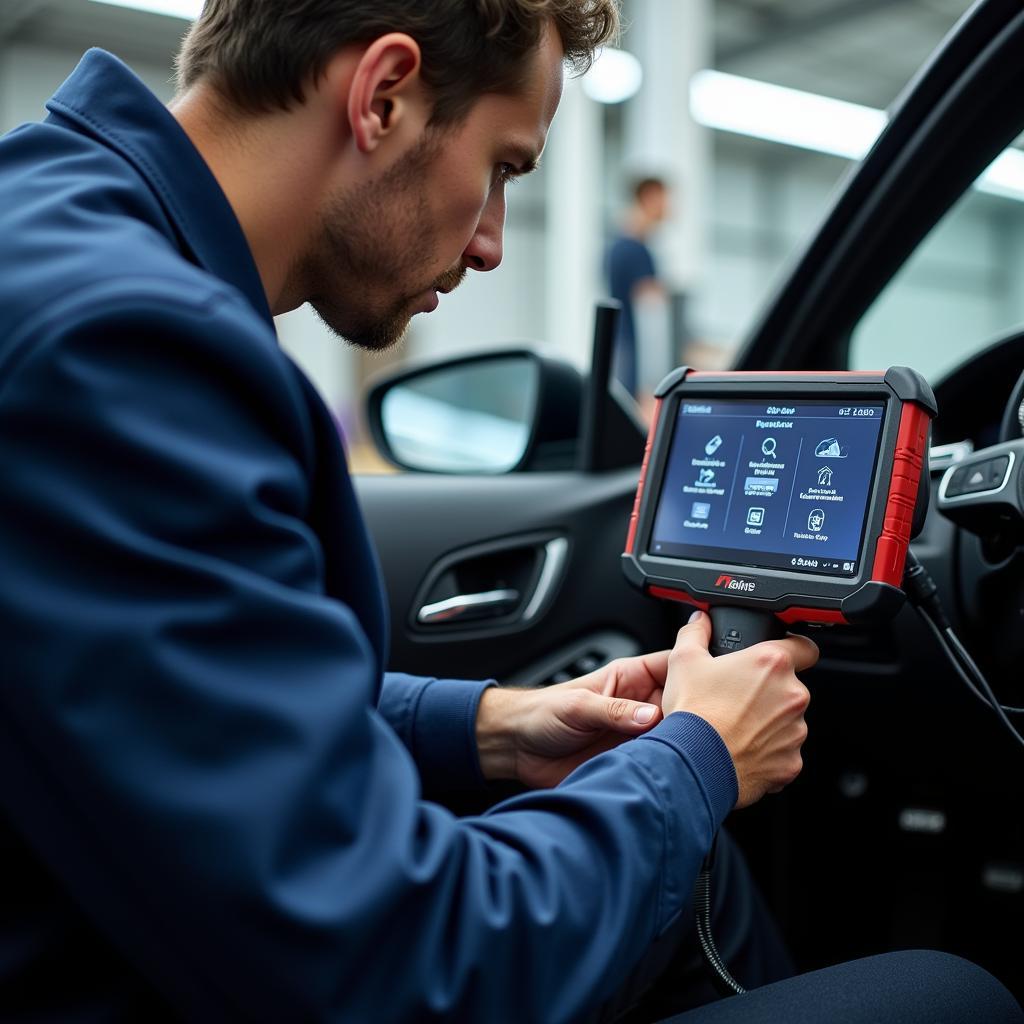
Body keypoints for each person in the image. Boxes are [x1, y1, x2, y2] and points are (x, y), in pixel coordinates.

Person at [0, 2, 1019, 1022]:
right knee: (949, 996)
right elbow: (398, 959)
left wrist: (491, 726)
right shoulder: (126, 352)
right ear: (383, 94)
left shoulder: (47, 222)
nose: (492, 242)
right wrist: (698, 758)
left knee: (688, 886)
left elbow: (191, 712)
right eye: (503, 166)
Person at [607, 175, 672, 401]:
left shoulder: (615, 245)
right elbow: (651, 320)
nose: (669, 207)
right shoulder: (637, 251)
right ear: (649, 197)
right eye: (665, 199)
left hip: (618, 349)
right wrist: (653, 383)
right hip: (633, 356)